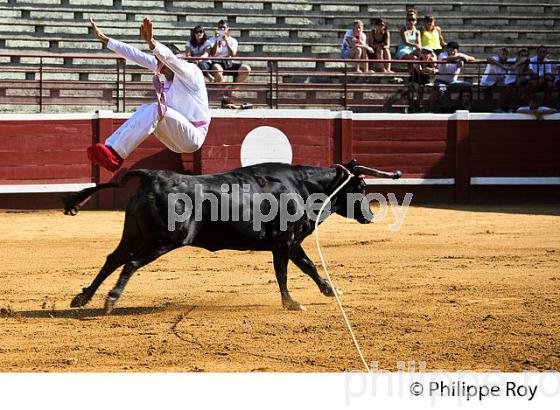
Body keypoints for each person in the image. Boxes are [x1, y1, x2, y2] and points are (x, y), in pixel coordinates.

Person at [86, 18, 210, 173]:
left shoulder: (190, 72)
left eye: (161, 64)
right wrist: (105, 39)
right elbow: (135, 55)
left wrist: (152, 42)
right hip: (175, 138)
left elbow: (170, 59)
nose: (158, 69)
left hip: (193, 136)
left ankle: (116, 154)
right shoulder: (162, 67)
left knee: (154, 109)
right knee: (146, 108)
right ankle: (110, 148)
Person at [434, 41, 476, 112]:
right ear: (447, 49)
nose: (453, 51)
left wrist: (463, 59)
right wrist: (459, 57)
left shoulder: (459, 55)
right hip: (440, 81)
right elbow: (445, 59)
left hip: (453, 82)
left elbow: (473, 58)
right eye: (451, 49)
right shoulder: (442, 54)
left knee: (467, 86)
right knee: (442, 89)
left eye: (454, 49)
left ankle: (462, 105)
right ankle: (446, 109)